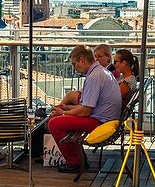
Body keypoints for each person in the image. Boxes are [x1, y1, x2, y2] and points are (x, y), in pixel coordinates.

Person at [47, 45, 122, 174]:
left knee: (54, 123)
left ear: (82, 60)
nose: (74, 68)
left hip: (101, 122)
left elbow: (86, 111)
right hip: (107, 119)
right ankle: (78, 158)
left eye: (74, 64)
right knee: (59, 118)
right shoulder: (101, 72)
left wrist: (64, 112)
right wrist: (66, 108)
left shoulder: (94, 77)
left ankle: (75, 161)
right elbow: (88, 106)